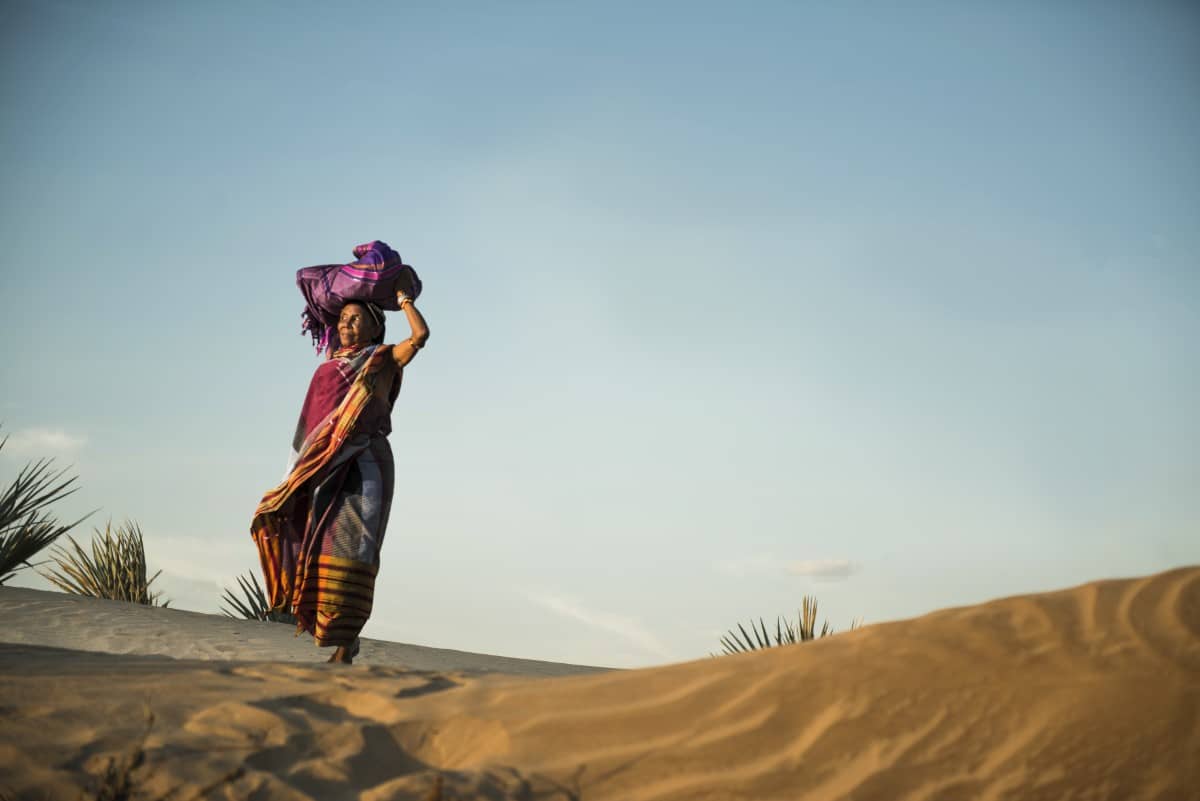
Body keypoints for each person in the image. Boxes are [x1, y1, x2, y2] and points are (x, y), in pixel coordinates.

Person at [251, 285, 429, 664]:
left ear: (374, 327)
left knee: (357, 551)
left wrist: (403, 300)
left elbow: (420, 337)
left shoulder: (382, 359)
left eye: (356, 318)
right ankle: (331, 632)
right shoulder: (331, 367)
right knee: (324, 542)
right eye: (343, 318)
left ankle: (348, 642)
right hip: (328, 465)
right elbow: (314, 428)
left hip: (369, 465)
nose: (346, 323)